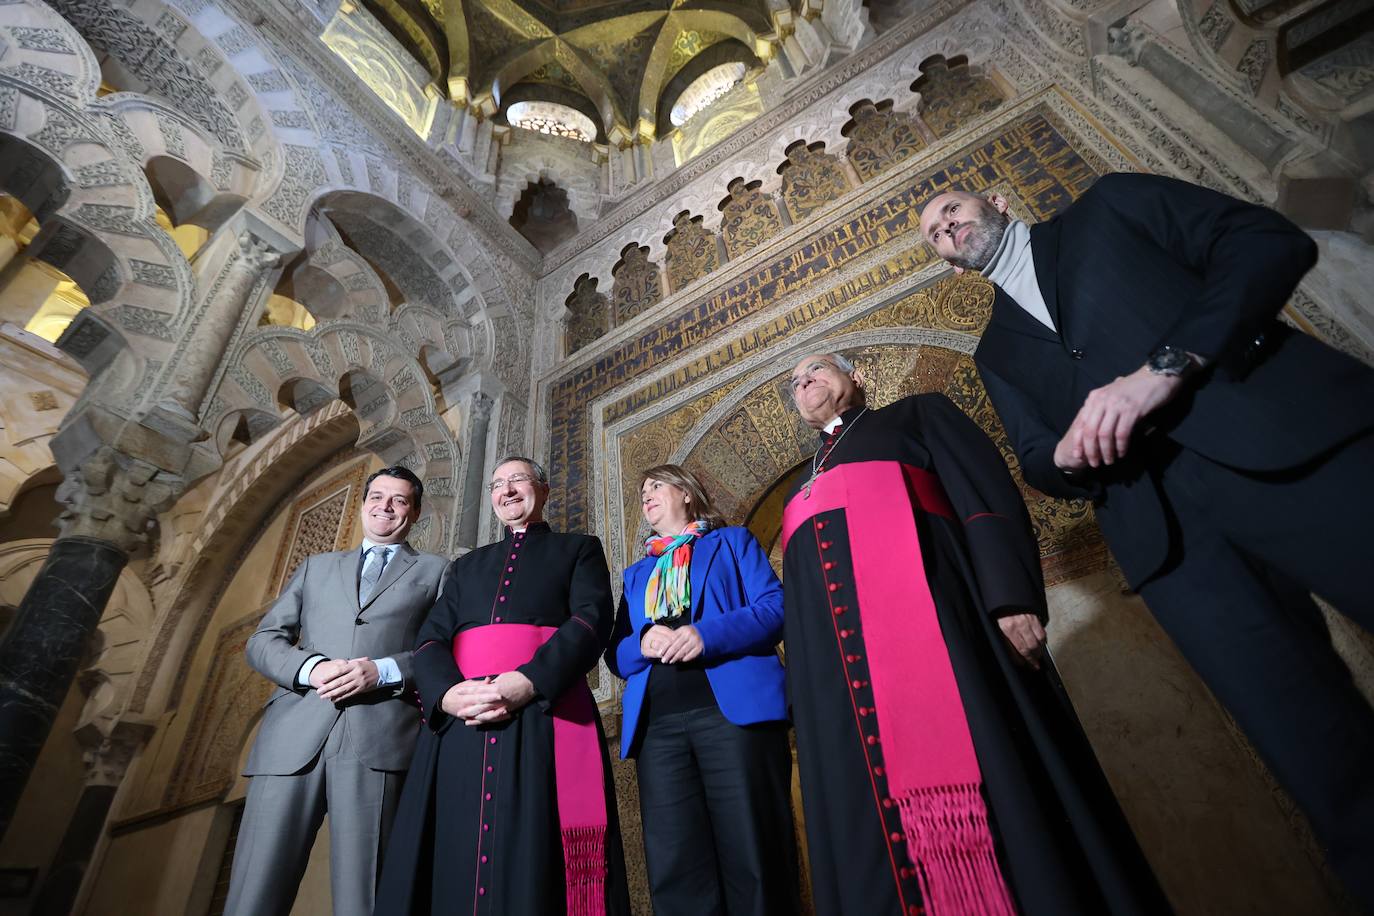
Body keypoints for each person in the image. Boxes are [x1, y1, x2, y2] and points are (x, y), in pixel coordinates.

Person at [918, 173, 1374, 907]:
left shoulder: (1107, 208)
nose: (945, 229)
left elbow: (1264, 241)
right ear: (947, 264)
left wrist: (1163, 370)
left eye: (949, 211)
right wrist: (1064, 458)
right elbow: (1037, 457)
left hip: (1284, 448)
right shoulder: (994, 352)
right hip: (1172, 547)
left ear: (998, 201)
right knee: (1322, 763)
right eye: (935, 236)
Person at [781, 352, 1169, 916]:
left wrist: (1011, 599)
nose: (805, 381)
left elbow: (983, 498)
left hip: (947, 636)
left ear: (857, 375)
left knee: (1000, 779)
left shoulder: (918, 416)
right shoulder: (802, 483)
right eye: (795, 381)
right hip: (847, 683)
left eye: (817, 368)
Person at [374, 456, 631, 915]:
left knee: (536, 847)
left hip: (543, 714)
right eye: (497, 484)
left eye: (518, 480)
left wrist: (529, 680)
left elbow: (591, 620)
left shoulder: (579, 549)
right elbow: (431, 639)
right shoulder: (467, 565)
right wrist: (448, 694)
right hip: (461, 721)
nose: (507, 490)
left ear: (544, 490)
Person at [226, 466, 449, 916]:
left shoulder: (438, 570)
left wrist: (383, 671)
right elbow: (263, 640)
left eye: (399, 499)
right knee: (254, 892)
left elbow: (444, 649)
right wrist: (310, 667)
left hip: (380, 739)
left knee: (366, 897)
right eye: (377, 496)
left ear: (416, 511)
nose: (385, 506)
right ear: (364, 503)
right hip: (292, 737)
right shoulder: (317, 567)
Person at [606, 464, 799, 916]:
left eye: (656, 485)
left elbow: (776, 608)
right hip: (658, 729)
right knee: (677, 864)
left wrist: (705, 635)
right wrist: (643, 642)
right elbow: (616, 654)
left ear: (687, 494)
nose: (647, 495)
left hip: (732, 716)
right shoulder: (637, 575)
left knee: (753, 853)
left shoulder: (732, 543)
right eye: (642, 491)